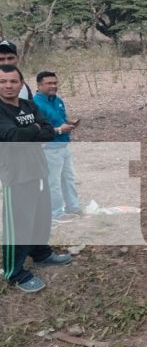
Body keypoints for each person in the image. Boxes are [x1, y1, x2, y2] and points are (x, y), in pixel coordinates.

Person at [0, 64, 72, 293]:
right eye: (3, 81)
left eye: (13, 81)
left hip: (38, 168)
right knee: (18, 224)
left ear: (22, 84)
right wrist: (35, 128)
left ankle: (41, 253)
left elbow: (49, 130)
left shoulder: (29, 104)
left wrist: (34, 130)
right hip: (16, 174)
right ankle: (14, 272)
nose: (8, 85)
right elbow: (12, 136)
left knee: (41, 216)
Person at [33, 71, 81, 222]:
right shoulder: (35, 104)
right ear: (39, 85)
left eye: (55, 83)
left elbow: (60, 117)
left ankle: (73, 208)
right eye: (49, 83)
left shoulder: (57, 99)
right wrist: (60, 129)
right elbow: (37, 130)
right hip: (49, 148)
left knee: (69, 178)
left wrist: (70, 122)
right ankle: (55, 214)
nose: (53, 86)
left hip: (64, 145)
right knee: (53, 183)